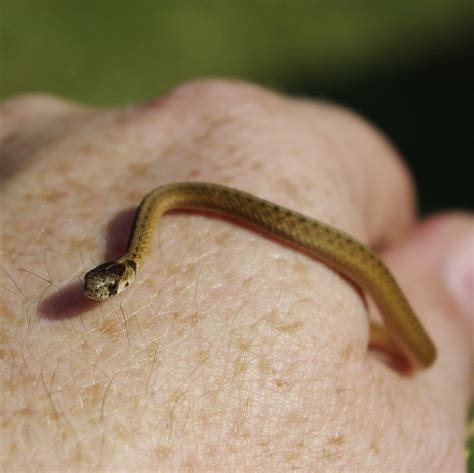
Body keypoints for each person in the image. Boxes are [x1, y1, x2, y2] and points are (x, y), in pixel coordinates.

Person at [1, 80, 471, 470]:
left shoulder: (151, 216)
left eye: (104, 286)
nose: (98, 293)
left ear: (122, 272)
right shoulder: (141, 230)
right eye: (98, 288)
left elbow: (421, 358)